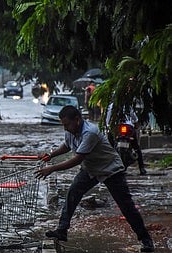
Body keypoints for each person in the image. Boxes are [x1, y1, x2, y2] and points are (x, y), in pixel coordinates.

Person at [34, 105, 154, 252]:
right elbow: (66, 145)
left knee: (126, 206)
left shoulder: (90, 132)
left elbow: (77, 159)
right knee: (73, 194)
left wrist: (52, 168)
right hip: (91, 169)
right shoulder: (71, 130)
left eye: (67, 125)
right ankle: (62, 230)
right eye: (63, 125)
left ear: (77, 120)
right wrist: (51, 155)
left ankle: (146, 240)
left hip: (110, 169)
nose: (65, 128)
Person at [106, 102, 147, 175]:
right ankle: (141, 168)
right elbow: (134, 118)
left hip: (117, 128)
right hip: (128, 127)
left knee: (110, 147)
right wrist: (136, 124)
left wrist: (108, 126)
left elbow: (108, 120)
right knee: (136, 146)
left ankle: (110, 166)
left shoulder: (111, 106)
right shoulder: (128, 105)